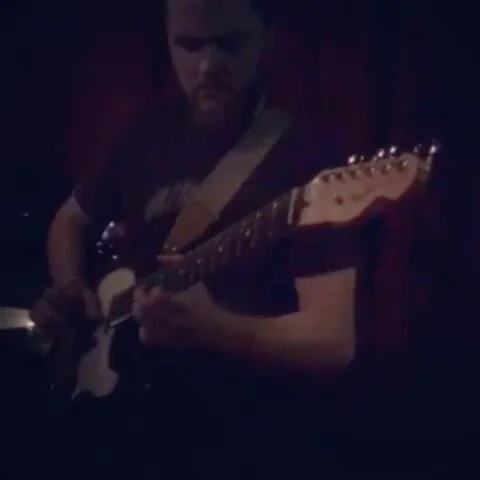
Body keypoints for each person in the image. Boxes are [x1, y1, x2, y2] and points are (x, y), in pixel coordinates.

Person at [31, 0, 361, 477]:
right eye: (188, 45)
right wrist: (72, 288)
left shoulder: (307, 160)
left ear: (268, 39)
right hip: (129, 428)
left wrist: (216, 329)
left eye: (229, 44)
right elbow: (68, 220)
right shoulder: (144, 136)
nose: (207, 65)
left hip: (244, 439)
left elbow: (333, 340)